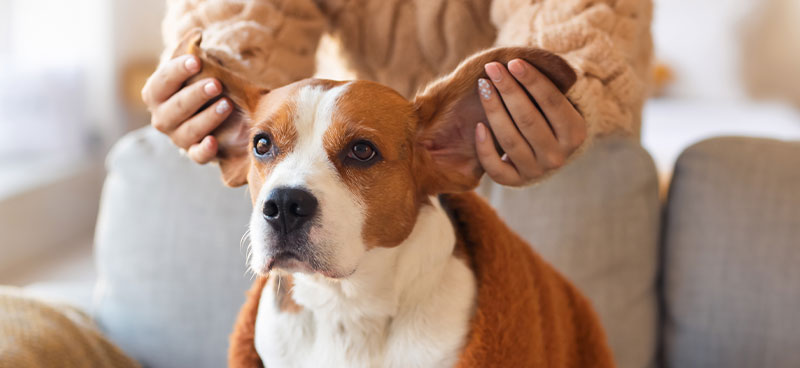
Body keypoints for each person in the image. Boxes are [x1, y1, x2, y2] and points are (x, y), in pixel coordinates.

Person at [142, 0, 652, 187]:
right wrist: (220, 71)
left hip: (541, 157)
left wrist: (551, 96)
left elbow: (577, 24)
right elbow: (252, 14)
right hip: (350, 149)